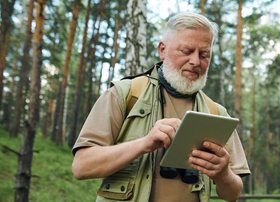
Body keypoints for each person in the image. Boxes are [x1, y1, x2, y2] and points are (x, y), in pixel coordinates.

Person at [72, 12, 250, 202]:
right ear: (162, 49)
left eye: (204, 54)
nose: (195, 61)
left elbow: (233, 193)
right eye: (187, 51)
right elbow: (82, 167)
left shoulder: (216, 113)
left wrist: (222, 174)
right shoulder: (125, 94)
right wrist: (144, 143)